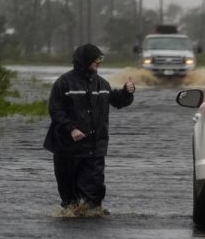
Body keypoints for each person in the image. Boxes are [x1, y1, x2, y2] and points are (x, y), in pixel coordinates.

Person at [43, 43, 136, 213]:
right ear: (85, 60)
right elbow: (55, 110)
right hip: (67, 149)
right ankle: (72, 220)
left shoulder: (102, 84)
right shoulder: (63, 83)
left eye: (101, 59)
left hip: (94, 149)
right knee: (70, 200)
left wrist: (127, 93)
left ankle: (93, 219)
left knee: (93, 198)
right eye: (97, 59)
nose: (99, 62)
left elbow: (117, 101)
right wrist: (71, 128)